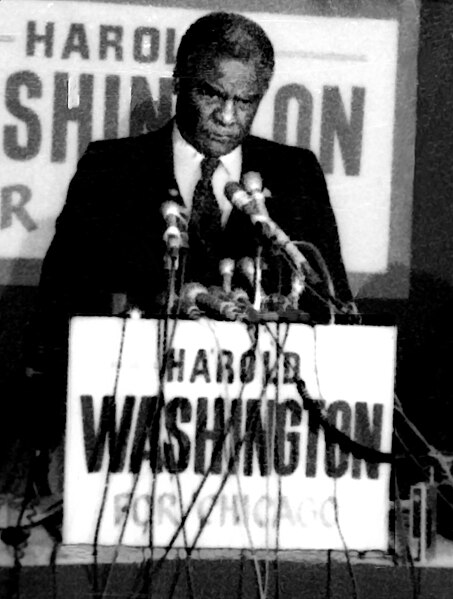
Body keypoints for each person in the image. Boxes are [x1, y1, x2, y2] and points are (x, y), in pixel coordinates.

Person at [25, 11, 353, 450]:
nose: (227, 117)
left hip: (258, 437)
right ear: (178, 83)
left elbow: (334, 311)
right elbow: (58, 306)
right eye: (212, 94)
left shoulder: (296, 175)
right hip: (133, 428)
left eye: (247, 101)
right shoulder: (110, 170)